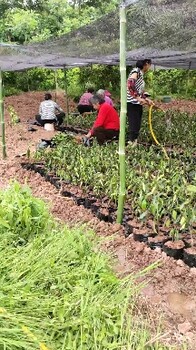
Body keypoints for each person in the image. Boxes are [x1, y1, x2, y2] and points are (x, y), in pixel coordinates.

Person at [127, 59, 154, 143]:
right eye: (150, 65)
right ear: (146, 64)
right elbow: (130, 84)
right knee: (134, 124)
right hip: (132, 103)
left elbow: (138, 91)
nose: (149, 67)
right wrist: (138, 98)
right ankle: (131, 143)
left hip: (137, 103)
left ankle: (134, 142)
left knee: (137, 124)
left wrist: (146, 99)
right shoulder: (136, 71)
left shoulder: (141, 74)